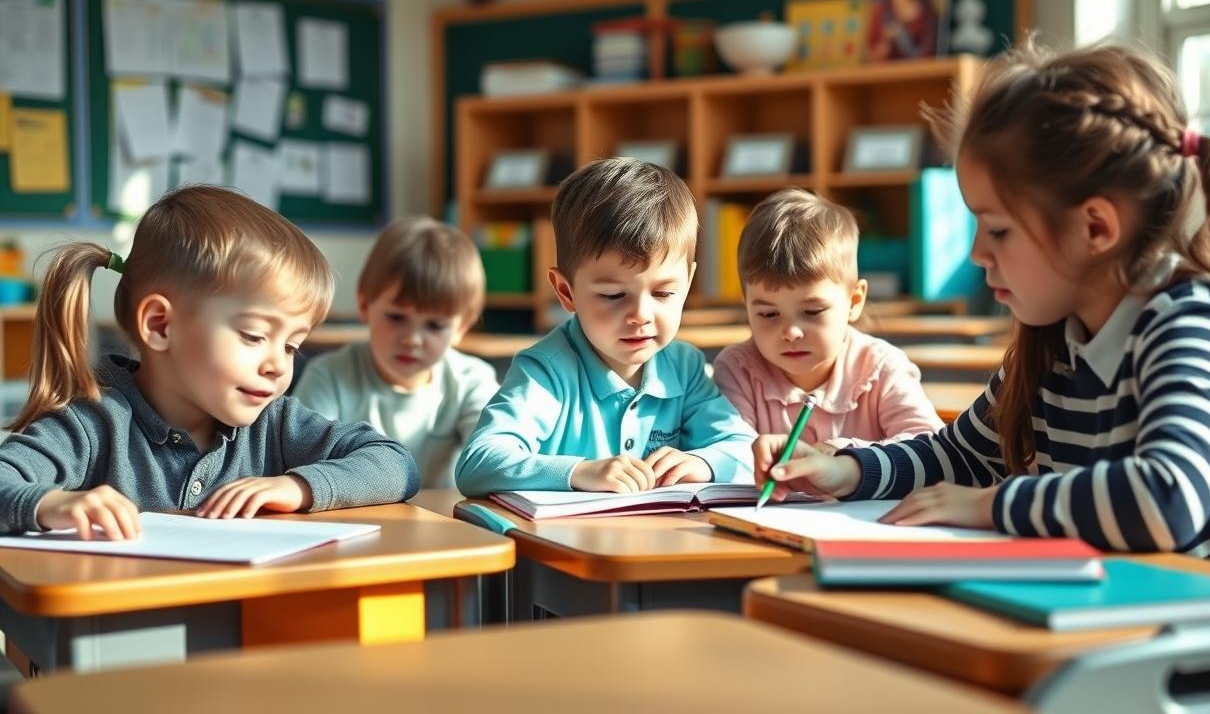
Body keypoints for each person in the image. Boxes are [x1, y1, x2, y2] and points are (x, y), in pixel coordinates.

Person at [754, 42, 1210, 572]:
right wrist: (845, 469)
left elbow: (1167, 499)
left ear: (1094, 227)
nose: (979, 254)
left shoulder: (1192, 322)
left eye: (998, 230)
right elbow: (959, 455)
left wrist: (991, 506)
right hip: (1115, 614)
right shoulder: (1055, 334)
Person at [1, 186, 419, 539]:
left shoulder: (273, 425)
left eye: (291, 346)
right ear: (161, 325)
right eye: (254, 336)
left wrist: (298, 487)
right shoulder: (90, 423)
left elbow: (395, 464)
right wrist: (52, 503)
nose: (277, 365)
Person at [457, 158, 754, 495]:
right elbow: (477, 463)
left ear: (688, 284)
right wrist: (579, 472)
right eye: (613, 295)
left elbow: (746, 450)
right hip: (566, 545)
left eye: (664, 293)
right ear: (566, 292)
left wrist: (705, 463)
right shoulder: (546, 370)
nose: (641, 315)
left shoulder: (684, 367)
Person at [713, 188, 942, 450]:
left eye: (812, 311)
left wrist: (844, 456)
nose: (791, 332)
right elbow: (729, 449)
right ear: (747, 308)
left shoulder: (881, 368)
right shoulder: (737, 370)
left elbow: (928, 446)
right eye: (768, 314)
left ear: (854, 301)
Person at [294, 218, 497, 490]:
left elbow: (495, 454)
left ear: (462, 327)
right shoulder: (328, 376)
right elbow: (301, 463)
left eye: (435, 326)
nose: (412, 339)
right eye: (396, 317)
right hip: (354, 518)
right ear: (365, 305)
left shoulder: (472, 380)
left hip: (443, 526)